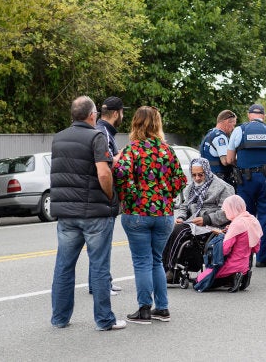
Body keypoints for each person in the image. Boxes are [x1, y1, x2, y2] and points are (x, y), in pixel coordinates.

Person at [49, 96, 125, 331]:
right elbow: (103, 174)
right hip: (93, 213)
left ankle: (60, 318)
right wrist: (111, 196)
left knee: (64, 265)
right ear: (92, 115)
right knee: (100, 266)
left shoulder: (58, 138)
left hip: (66, 214)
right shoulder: (97, 137)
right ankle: (104, 320)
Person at [114, 106, 187, 324]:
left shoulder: (132, 150)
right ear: (157, 124)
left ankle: (144, 309)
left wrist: (133, 196)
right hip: (164, 213)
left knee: (142, 261)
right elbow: (180, 180)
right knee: (157, 260)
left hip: (137, 212)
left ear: (136, 123)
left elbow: (120, 174)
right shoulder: (167, 150)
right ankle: (162, 308)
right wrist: (165, 196)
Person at [162, 157, 234, 283]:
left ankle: (171, 270)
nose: (197, 178)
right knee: (170, 229)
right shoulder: (191, 188)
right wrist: (181, 217)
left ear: (207, 171)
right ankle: (165, 269)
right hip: (193, 222)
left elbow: (228, 212)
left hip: (212, 224)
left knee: (179, 231)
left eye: (200, 175)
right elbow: (184, 206)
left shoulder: (222, 187)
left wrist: (206, 219)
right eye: (194, 175)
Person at [227, 104, 266, 268]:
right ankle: (262, 258)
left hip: (246, 179)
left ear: (249, 115)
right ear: (263, 116)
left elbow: (229, 160)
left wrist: (243, 165)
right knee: (265, 217)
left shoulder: (239, 131)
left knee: (244, 217)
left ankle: (244, 257)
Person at [88, 96, 129, 297]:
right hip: (103, 196)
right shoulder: (102, 131)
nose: (123, 116)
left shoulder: (103, 130)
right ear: (115, 113)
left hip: (98, 197)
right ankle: (100, 284)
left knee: (102, 244)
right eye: (122, 112)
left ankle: (104, 281)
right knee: (101, 244)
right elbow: (105, 165)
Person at [194, 194, 262, 292]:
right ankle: (241, 276)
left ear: (232, 209)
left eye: (226, 210)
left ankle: (232, 277)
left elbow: (224, 250)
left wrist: (222, 235)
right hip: (245, 265)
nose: (225, 213)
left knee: (198, 283)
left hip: (231, 265)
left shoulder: (236, 224)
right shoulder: (252, 220)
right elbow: (256, 248)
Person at [199, 110, 237, 188]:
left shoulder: (209, 134)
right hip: (220, 180)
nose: (233, 128)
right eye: (233, 125)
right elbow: (226, 161)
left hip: (209, 178)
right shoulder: (220, 137)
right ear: (227, 122)